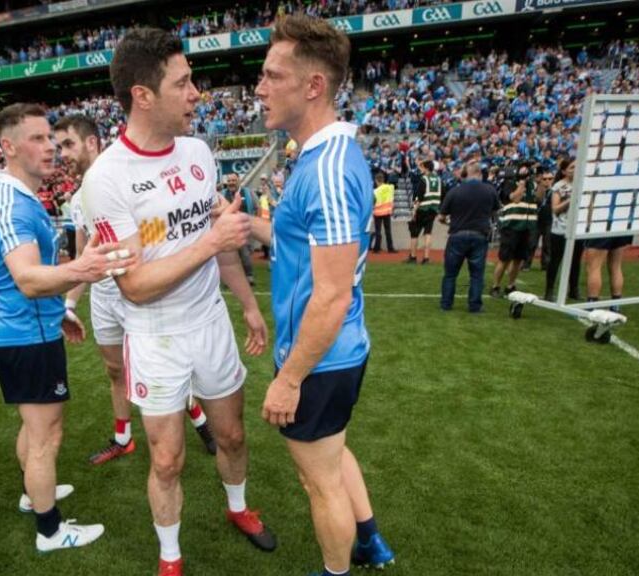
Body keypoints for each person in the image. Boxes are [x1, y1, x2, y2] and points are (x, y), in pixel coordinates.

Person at [83, 28, 274, 576]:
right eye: (183, 83)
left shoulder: (196, 152)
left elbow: (220, 236)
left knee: (233, 435)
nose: (197, 94)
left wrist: (248, 305)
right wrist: (211, 242)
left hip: (211, 320)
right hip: (155, 331)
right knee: (167, 459)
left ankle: (239, 509)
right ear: (143, 95)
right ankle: (170, 557)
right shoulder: (107, 179)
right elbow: (135, 286)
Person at [252, 15, 394, 576]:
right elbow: (304, 250)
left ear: (313, 86)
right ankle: (371, 541)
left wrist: (289, 379)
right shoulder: (316, 158)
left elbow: (331, 295)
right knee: (333, 458)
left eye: (271, 76)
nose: (259, 89)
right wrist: (251, 229)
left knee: (320, 481)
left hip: (320, 358)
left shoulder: (329, 168)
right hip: (333, 352)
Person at [0, 103, 135, 552]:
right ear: (8, 147)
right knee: (47, 437)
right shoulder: (10, 203)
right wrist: (83, 269)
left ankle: (35, 496)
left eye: (51, 137)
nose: (49, 147)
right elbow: (27, 279)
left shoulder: (18, 197)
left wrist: (60, 313)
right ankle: (50, 530)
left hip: (31, 332)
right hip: (26, 339)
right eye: (37, 139)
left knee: (35, 430)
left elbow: (29, 277)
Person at [55, 115, 216, 467]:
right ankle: (123, 438)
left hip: (142, 294)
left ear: (92, 142)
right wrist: (69, 304)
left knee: (164, 369)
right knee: (115, 370)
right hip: (104, 297)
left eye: (68, 144)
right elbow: (84, 257)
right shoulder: (78, 198)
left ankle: (200, 419)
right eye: (59, 147)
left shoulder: (125, 176)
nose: (61, 153)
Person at [438, 157, 501, 313]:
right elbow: (495, 212)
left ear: (467, 174)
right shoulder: (490, 190)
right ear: (480, 174)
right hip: (479, 235)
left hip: (457, 234)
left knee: (450, 274)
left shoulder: (455, 191)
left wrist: (450, 223)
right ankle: (475, 306)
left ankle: (446, 304)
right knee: (476, 275)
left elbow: (441, 216)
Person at [489, 165, 537, 298]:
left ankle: (511, 285)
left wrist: (543, 185)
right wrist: (521, 183)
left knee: (518, 259)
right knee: (504, 259)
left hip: (527, 226)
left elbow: (538, 199)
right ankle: (495, 286)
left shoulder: (532, 184)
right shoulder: (508, 184)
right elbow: (515, 198)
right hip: (511, 226)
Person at [544, 158, 584, 301]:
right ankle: (549, 290)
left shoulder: (582, 184)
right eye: (572, 167)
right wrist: (570, 199)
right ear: (564, 171)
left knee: (576, 261)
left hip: (578, 229)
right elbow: (555, 209)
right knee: (555, 260)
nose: (575, 170)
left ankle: (573, 289)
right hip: (560, 230)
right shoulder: (558, 186)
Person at [222, 173, 258, 286]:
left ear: (239, 181)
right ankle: (229, 280)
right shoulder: (222, 194)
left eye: (233, 180)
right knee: (229, 256)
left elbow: (257, 208)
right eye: (229, 181)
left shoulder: (248, 192)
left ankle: (249, 276)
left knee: (245, 254)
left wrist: (255, 224)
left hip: (244, 228)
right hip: (227, 230)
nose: (231, 183)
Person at [405, 159, 442, 264]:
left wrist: (414, 211)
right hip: (433, 209)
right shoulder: (439, 179)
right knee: (428, 233)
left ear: (426, 168)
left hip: (422, 209)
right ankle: (426, 258)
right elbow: (443, 194)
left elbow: (419, 197)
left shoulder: (424, 179)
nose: (420, 169)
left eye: (422, 167)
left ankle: (413, 257)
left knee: (414, 232)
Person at [370, 171, 395, 253]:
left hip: (378, 213)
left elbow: (373, 202)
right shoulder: (390, 187)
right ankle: (390, 248)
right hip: (387, 212)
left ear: (376, 180)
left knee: (378, 231)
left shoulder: (375, 191)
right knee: (388, 231)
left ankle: (377, 248)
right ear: (383, 179)